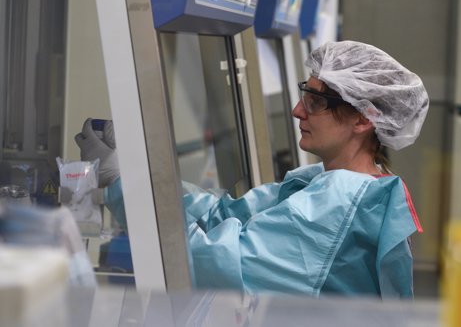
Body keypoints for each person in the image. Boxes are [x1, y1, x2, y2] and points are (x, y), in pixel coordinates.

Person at [75, 40, 429, 298]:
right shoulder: (332, 185)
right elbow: (221, 212)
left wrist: (123, 185)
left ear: (364, 119)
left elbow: (213, 263)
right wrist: (144, 174)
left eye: (316, 102)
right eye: (305, 95)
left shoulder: (339, 203)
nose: (296, 111)